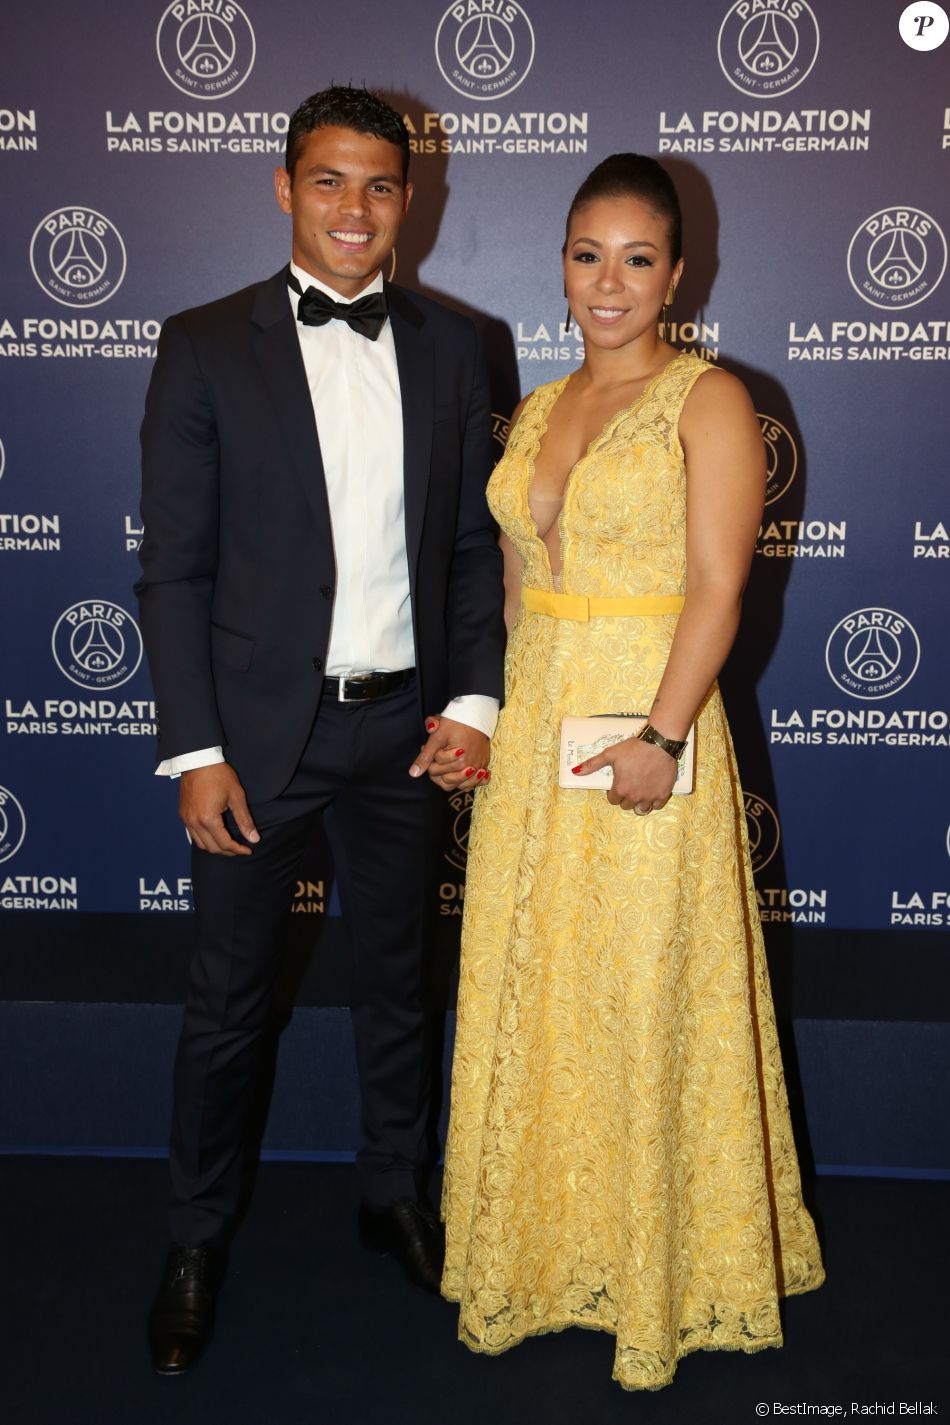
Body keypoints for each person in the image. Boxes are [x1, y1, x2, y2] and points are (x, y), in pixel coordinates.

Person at [439, 153, 825, 1390]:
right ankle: (546, 1247)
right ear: (560, 264)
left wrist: (661, 737)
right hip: (537, 729)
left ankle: (659, 1272)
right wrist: (481, 719)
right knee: (544, 988)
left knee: (645, 989)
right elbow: (513, 589)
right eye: (586, 255)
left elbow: (717, 587)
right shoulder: (538, 407)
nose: (608, 282)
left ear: (677, 274)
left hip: (647, 723)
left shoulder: (707, 400)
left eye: (636, 258)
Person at [136, 85, 504, 1376]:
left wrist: (472, 704)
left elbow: (472, 551)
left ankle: (392, 1193)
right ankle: (193, 1239)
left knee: (398, 984)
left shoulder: (460, 346)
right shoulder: (201, 346)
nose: (355, 209)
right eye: (330, 181)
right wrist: (196, 751)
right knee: (226, 1007)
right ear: (284, 187)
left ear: (411, 200)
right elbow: (174, 570)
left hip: (404, 730)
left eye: (380, 185)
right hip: (254, 746)